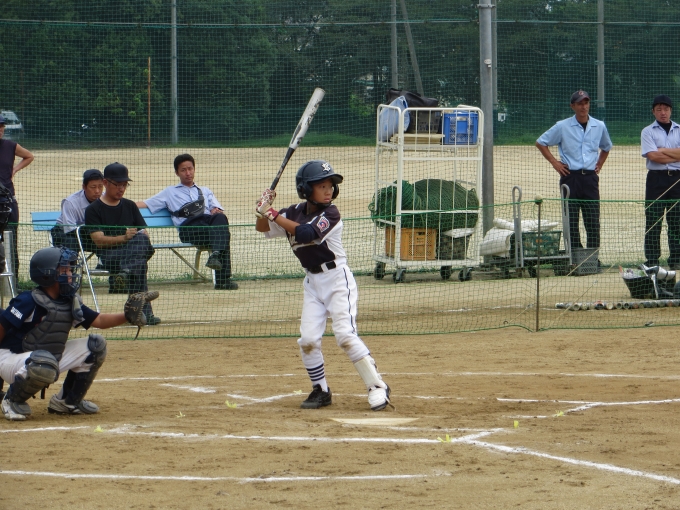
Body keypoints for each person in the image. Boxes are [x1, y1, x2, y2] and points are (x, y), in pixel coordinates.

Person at [254, 160, 391, 411]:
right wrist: (261, 210)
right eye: (322, 186)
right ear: (306, 189)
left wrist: (272, 213)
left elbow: (306, 233)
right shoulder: (292, 212)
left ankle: (377, 386)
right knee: (307, 340)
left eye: (330, 186)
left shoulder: (331, 214)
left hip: (337, 280)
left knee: (345, 336)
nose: (328, 191)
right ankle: (321, 390)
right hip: (312, 283)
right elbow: (263, 229)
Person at [0, 247, 127, 420]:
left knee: (95, 347)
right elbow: (2, 327)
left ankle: (67, 401)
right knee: (43, 360)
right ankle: (11, 400)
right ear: (48, 274)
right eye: (65, 270)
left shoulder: (69, 300)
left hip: (43, 359)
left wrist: (127, 316)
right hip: (10, 359)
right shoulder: (28, 300)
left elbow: (100, 320)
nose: (71, 275)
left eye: (70, 270)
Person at [136, 153, 237, 291]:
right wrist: (121, 204)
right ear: (177, 173)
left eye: (190, 169)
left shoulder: (205, 191)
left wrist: (215, 209)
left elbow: (216, 208)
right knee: (222, 234)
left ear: (194, 169)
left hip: (207, 226)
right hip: (189, 228)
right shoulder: (169, 192)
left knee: (221, 219)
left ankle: (216, 254)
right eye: (183, 170)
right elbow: (145, 203)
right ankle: (223, 279)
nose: (188, 173)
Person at [535, 90, 612, 262]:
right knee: (571, 221)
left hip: (590, 178)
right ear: (573, 106)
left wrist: (599, 163)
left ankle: (592, 260)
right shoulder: (562, 126)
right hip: (570, 177)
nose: (583, 107)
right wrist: (555, 163)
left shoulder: (599, 126)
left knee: (593, 221)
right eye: (579, 104)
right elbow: (541, 142)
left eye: (586, 103)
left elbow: (606, 147)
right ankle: (575, 258)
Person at [84, 162, 160, 324]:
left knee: (141, 244)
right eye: (117, 184)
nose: (121, 189)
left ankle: (127, 273)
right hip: (109, 258)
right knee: (139, 264)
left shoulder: (130, 206)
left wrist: (134, 238)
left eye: (124, 185)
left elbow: (144, 235)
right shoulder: (93, 209)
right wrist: (124, 238)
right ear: (106, 183)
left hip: (132, 258)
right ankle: (145, 314)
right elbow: (99, 241)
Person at [641, 95, 680, 269]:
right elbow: (653, 156)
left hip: (677, 179)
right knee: (653, 219)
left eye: (666, 109)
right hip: (656, 179)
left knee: (677, 220)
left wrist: (662, 150)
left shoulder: (679, 129)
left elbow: (658, 153)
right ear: (653, 111)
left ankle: (676, 259)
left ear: (671, 110)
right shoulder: (647, 131)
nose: (663, 113)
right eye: (659, 109)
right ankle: (652, 260)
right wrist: (675, 154)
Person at [0, 113, 34, 275]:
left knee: (11, 240)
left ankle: (14, 279)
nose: (0, 129)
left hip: (7, 199)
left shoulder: (10, 146)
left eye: (1, 126)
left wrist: (14, 169)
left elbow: (29, 156)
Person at [51, 169, 104, 252]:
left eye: (100, 186)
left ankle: (105, 260)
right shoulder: (70, 202)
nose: (97, 191)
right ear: (84, 187)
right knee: (72, 242)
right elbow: (70, 230)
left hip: (91, 233)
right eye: (93, 187)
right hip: (65, 232)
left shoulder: (106, 200)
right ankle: (71, 261)